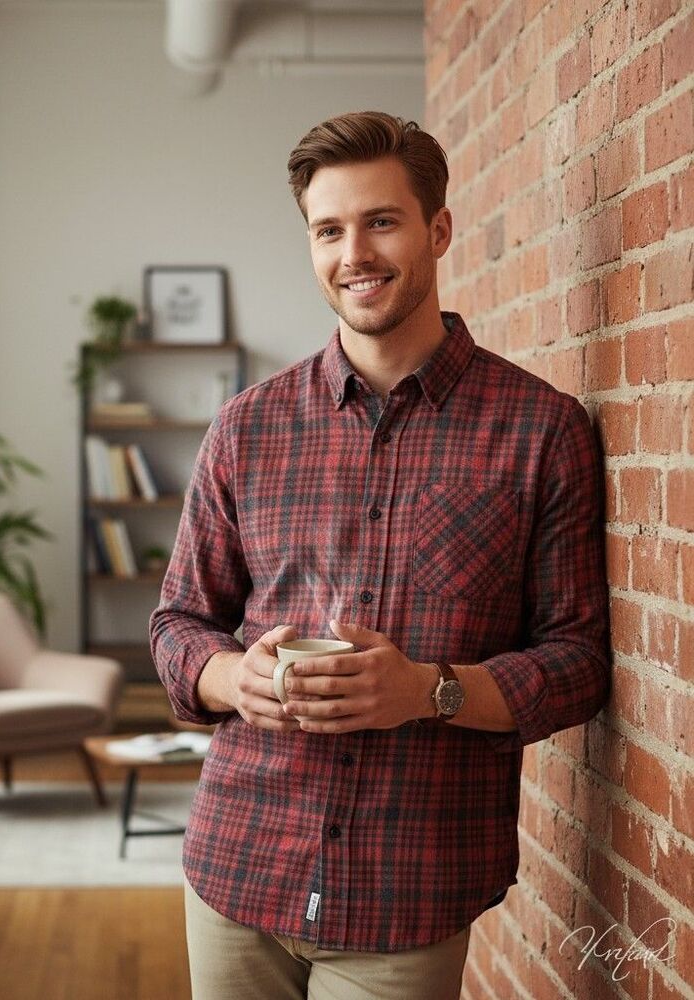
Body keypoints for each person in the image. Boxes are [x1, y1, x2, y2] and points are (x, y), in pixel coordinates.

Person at [149, 110, 611, 1000]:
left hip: (407, 892)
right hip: (237, 868)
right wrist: (230, 679)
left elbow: (579, 661)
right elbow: (178, 625)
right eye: (329, 229)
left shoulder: (539, 431)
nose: (353, 252)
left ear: (437, 229)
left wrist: (427, 691)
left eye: (381, 221)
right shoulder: (245, 428)